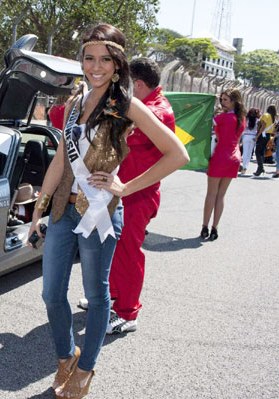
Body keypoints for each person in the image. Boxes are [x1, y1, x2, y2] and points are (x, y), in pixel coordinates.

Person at [28, 24, 188, 398]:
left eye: (105, 59)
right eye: (89, 58)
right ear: (81, 60)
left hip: (98, 213)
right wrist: (40, 206)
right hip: (62, 212)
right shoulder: (74, 103)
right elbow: (59, 163)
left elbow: (177, 154)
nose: (95, 66)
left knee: (98, 296)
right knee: (52, 294)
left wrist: (126, 187)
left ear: (117, 65)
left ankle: (85, 371)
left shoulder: (127, 105)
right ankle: (67, 356)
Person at [78, 57, 176, 335]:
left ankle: (127, 313)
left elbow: (116, 120)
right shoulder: (148, 105)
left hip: (137, 194)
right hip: (122, 191)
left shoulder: (156, 110)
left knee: (128, 252)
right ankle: (112, 298)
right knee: (114, 246)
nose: (119, 86)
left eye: (125, 82)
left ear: (139, 84)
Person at [200, 89, 246, 241]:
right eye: (222, 100)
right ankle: (215, 228)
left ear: (234, 101)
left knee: (211, 194)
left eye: (225, 100)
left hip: (220, 156)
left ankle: (204, 227)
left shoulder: (223, 118)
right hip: (234, 158)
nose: (222, 102)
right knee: (221, 195)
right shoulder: (242, 119)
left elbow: (204, 123)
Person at [253, 105, 276, 176]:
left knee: (257, 151)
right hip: (268, 135)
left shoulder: (266, 115)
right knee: (262, 151)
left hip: (263, 134)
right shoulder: (273, 118)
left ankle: (260, 168)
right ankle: (260, 168)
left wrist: (257, 135)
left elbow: (263, 126)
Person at [241, 108, 260, 174]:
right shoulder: (257, 120)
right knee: (249, 153)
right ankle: (246, 165)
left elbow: (242, 127)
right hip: (253, 136)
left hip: (246, 135)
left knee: (245, 152)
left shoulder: (246, 119)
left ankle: (244, 166)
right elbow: (258, 129)